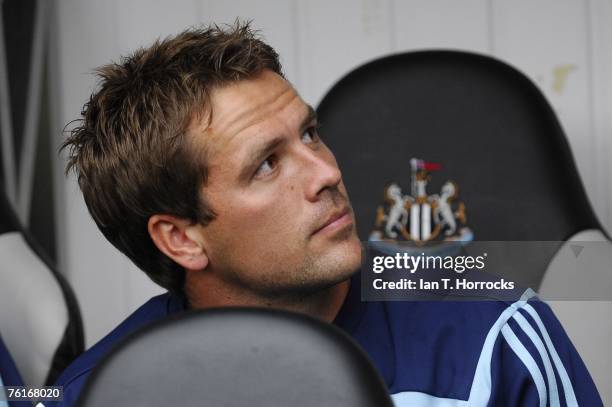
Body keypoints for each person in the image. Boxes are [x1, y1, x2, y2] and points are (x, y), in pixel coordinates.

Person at [50, 22, 602, 406]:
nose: (326, 173)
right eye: (266, 165)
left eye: (310, 134)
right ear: (181, 239)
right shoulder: (95, 393)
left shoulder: (497, 331)